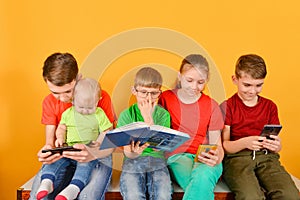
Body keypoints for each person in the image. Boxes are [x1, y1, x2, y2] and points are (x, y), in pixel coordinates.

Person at [30, 52, 116, 200]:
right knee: (40, 195)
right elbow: (49, 143)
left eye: (68, 91)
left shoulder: (97, 96)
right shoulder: (49, 102)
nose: (63, 98)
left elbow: (111, 140)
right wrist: (47, 152)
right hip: (65, 154)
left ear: (78, 78)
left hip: (97, 155)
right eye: (55, 93)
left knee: (87, 196)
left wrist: (93, 152)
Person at [220, 54, 300, 200]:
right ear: (235, 80)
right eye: (247, 85)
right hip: (237, 160)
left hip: (267, 158)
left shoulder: (270, 106)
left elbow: (276, 143)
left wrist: (277, 146)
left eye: (259, 85)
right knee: (250, 196)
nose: (252, 91)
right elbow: (225, 145)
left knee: (290, 195)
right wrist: (245, 143)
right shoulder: (227, 106)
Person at [158, 54, 224, 200]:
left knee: (202, 176)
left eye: (200, 82)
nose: (194, 87)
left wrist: (216, 157)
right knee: (199, 184)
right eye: (189, 80)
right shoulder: (166, 99)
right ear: (179, 77)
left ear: (206, 81)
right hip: (178, 156)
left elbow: (217, 146)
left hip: (205, 158)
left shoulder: (211, 105)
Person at [117, 67, 172, 200]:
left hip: (157, 160)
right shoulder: (126, 115)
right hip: (132, 160)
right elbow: (127, 153)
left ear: (160, 93)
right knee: (133, 195)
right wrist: (135, 153)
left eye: (154, 93)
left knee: (163, 195)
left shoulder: (163, 115)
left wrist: (149, 119)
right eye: (143, 92)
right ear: (134, 91)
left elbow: (157, 147)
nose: (148, 98)